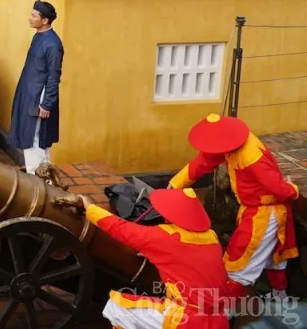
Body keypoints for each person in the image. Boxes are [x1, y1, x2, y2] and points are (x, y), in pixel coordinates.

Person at [168, 113, 299, 300]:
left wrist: (292, 190)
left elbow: (275, 186)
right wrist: (177, 183)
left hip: (264, 215)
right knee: (272, 256)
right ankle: (279, 296)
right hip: (256, 211)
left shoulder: (252, 156)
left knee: (238, 264)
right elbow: (203, 161)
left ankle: (225, 311)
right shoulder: (231, 143)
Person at [78, 188, 230, 329]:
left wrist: (90, 207)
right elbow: (190, 259)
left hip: (187, 320)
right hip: (218, 318)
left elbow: (120, 228)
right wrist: (155, 253)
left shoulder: (166, 237)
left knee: (116, 307)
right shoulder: (212, 236)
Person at [6, 0, 63, 173]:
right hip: (29, 95)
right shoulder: (39, 36)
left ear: (44, 20)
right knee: (34, 137)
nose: (30, 18)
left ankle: (37, 180)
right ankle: (45, 178)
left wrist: (46, 103)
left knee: (34, 138)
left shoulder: (53, 45)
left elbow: (54, 75)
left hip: (38, 98)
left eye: (34, 15)